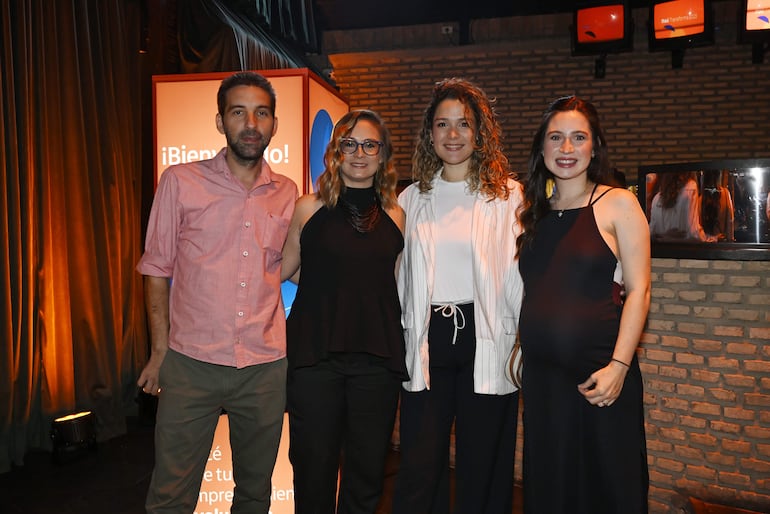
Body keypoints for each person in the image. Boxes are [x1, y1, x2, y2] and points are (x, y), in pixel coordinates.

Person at [136, 71, 297, 514]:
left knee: (254, 494)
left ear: (274, 124)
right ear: (220, 121)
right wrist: (159, 351)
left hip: (264, 368)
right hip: (191, 365)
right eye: (239, 112)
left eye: (261, 113)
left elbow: (289, 267)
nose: (250, 123)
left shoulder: (287, 194)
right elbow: (155, 268)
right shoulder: (181, 181)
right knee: (171, 494)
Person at [392, 78, 524, 514]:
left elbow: (523, 274)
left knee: (482, 464)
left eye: (463, 124)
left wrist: (525, 338)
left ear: (480, 132)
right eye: (443, 124)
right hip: (427, 337)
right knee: (419, 463)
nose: (453, 135)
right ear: (429, 133)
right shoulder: (410, 198)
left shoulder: (507, 196)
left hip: (486, 338)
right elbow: (396, 275)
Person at [516, 96, 650, 513]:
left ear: (594, 147)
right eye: (556, 138)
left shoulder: (618, 203)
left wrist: (619, 368)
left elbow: (640, 291)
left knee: (608, 485)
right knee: (551, 487)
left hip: (600, 376)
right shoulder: (533, 212)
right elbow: (538, 289)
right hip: (542, 381)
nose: (567, 148)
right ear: (542, 148)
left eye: (578, 138)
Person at [280, 110, 406, 513]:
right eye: (349, 144)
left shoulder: (397, 215)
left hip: (377, 361)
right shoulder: (307, 207)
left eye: (369, 144)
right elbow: (285, 272)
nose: (359, 153)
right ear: (335, 152)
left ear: (383, 154)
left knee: (367, 474)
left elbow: (391, 284)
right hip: (315, 358)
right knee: (313, 470)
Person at [649, 172, 715, 242]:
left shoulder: (656, 199)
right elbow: (693, 232)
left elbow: (651, 232)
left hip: (663, 252)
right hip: (684, 251)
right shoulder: (690, 188)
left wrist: (665, 236)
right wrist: (710, 239)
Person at [701, 169, 735, 242]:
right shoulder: (725, 194)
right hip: (720, 242)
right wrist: (730, 240)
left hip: (704, 244)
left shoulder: (701, 197)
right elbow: (730, 221)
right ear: (719, 176)